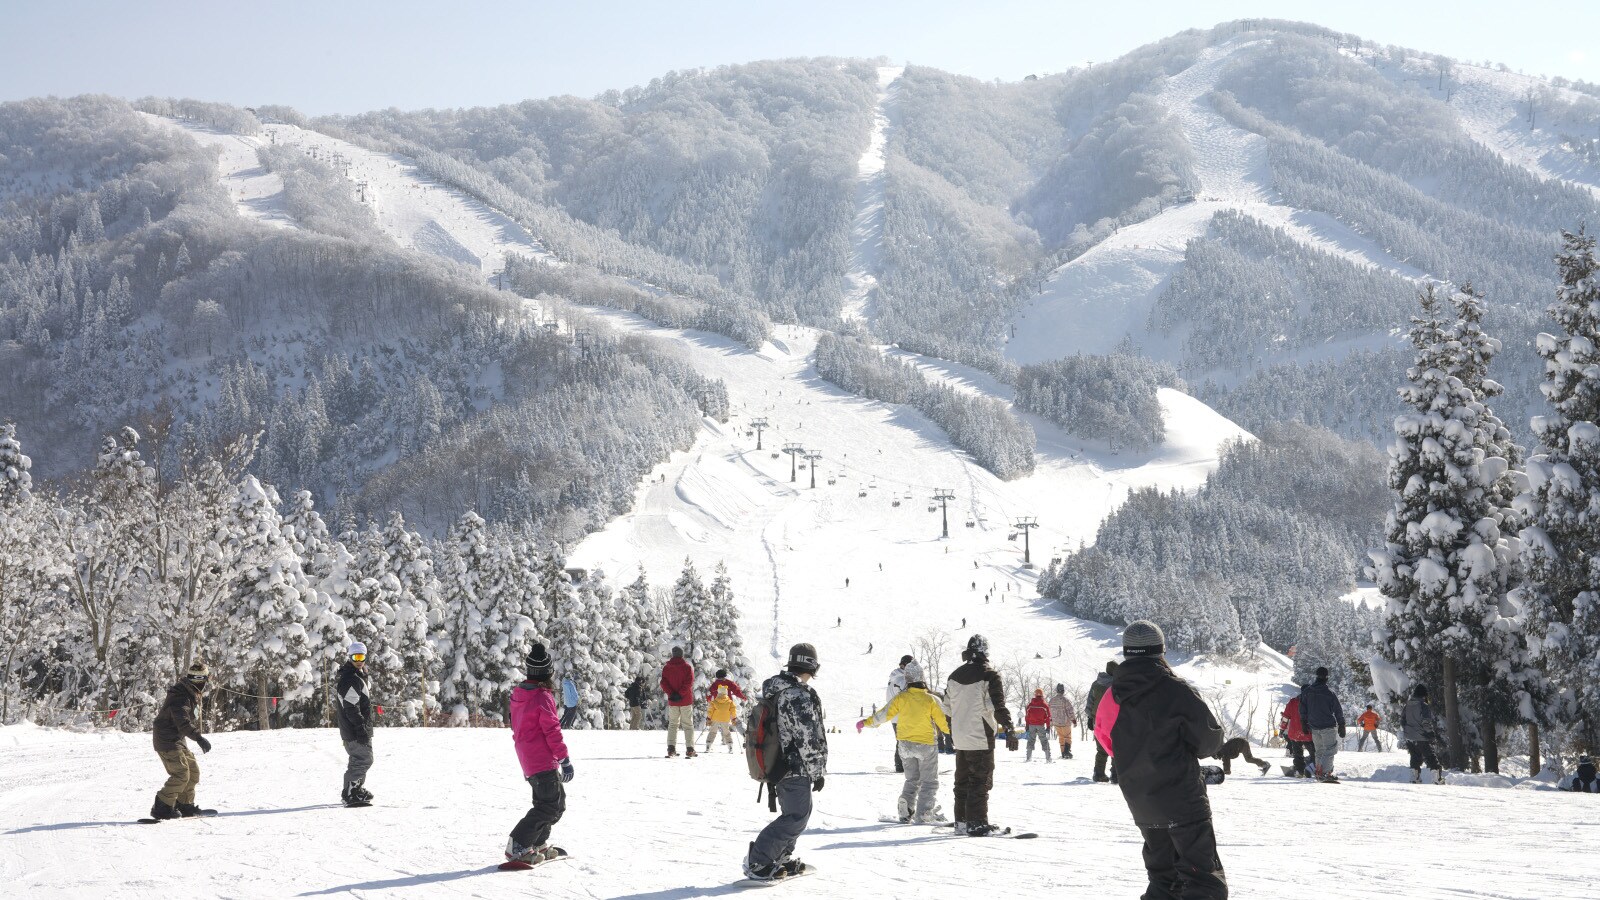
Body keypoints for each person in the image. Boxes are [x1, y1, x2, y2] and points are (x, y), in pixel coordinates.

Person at [1094, 621, 1227, 900]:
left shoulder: (1112, 695)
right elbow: (1209, 742)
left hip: (1142, 801)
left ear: (1126, 652)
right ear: (1160, 650)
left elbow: (1106, 742)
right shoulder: (1176, 690)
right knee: (1204, 884)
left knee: (1164, 882)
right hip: (1182, 799)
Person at [744, 643, 828, 882]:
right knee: (796, 817)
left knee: (798, 814)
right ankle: (759, 860)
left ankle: (779, 856)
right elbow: (806, 736)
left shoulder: (778, 690)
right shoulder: (796, 695)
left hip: (780, 764)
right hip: (793, 766)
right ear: (812, 666)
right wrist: (817, 770)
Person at [506, 642, 575, 865]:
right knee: (548, 806)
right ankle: (518, 845)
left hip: (530, 759)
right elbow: (552, 731)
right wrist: (564, 759)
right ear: (547, 673)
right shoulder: (542, 697)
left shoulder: (519, 694)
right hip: (542, 760)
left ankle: (536, 842)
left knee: (556, 805)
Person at [858, 659, 950, 823]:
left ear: (907, 679)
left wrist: (866, 722)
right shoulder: (931, 699)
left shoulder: (901, 698)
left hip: (905, 745)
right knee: (929, 782)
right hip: (926, 745)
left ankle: (906, 808)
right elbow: (943, 722)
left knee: (912, 779)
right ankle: (924, 813)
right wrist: (955, 735)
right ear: (922, 678)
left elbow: (883, 714)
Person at [945, 634, 1015, 836]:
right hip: (980, 736)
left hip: (960, 736)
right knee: (980, 780)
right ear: (985, 651)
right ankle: (977, 824)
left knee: (962, 780)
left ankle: (961, 822)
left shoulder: (953, 676)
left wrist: (953, 731)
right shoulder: (989, 675)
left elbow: (947, 708)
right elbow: (998, 705)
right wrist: (1009, 728)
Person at [150, 661, 214, 820]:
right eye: (205, 680)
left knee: (193, 771)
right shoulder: (180, 696)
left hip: (177, 738)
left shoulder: (189, 692)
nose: (205, 684)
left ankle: (184, 804)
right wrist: (199, 738)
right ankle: (162, 806)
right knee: (181, 773)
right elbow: (182, 722)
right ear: (199, 681)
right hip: (167, 740)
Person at [336, 641, 375, 807]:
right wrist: (361, 729)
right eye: (355, 657)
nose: (359, 661)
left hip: (355, 729)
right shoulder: (351, 679)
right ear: (350, 658)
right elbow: (351, 708)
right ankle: (350, 793)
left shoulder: (357, 676)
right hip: (354, 730)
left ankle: (355, 789)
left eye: (361, 657)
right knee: (363, 759)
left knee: (360, 759)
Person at [1298, 667, 1346, 782]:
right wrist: (1341, 724)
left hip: (1314, 726)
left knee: (1319, 751)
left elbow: (1302, 708)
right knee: (1330, 750)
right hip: (1327, 726)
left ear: (1316, 676)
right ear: (1327, 677)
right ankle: (1325, 773)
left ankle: (1319, 773)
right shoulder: (1329, 693)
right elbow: (1338, 710)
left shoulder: (1307, 692)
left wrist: (1303, 722)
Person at [1400, 684, 1444, 784]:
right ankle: (1437, 779)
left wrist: (1408, 731)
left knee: (1415, 757)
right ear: (1424, 694)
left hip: (1409, 737)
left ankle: (1414, 778)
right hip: (1421, 736)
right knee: (1431, 757)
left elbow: (1402, 720)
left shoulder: (1408, 705)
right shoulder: (1423, 705)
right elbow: (1426, 722)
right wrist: (1430, 733)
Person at [661, 646, 697, 758]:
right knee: (688, 725)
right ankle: (690, 749)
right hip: (685, 700)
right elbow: (689, 682)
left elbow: (663, 683)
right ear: (682, 654)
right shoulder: (687, 667)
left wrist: (671, 694)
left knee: (673, 725)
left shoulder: (667, 668)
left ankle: (671, 749)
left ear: (673, 654)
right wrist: (680, 694)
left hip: (673, 701)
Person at [1087, 661, 1119, 783]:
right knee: (1116, 747)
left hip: (1097, 720)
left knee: (1101, 748)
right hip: (1113, 720)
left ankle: (1098, 773)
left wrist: (1090, 718)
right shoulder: (1117, 684)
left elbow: (1090, 702)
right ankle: (1115, 774)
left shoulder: (1096, 684)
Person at [886, 656, 912, 773]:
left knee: (901, 740)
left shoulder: (894, 678)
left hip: (895, 715)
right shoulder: (902, 679)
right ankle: (902, 766)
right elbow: (908, 697)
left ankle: (900, 765)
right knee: (904, 741)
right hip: (902, 715)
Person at [1279, 693, 1312, 777]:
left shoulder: (1293, 702)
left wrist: (1282, 729)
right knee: (1314, 753)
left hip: (1295, 733)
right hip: (1308, 733)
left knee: (1297, 754)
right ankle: (1311, 768)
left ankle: (1299, 771)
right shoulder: (1312, 701)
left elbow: (1285, 717)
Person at [707, 683, 739, 752]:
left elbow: (710, 710)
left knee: (712, 731)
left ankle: (708, 745)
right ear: (726, 692)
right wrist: (734, 718)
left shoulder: (714, 701)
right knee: (726, 732)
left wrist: (708, 718)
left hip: (715, 718)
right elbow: (733, 711)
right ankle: (730, 746)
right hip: (725, 719)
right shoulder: (730, 702)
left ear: (718, 692)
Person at [1024, 688, 1053, 762]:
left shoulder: (1030, 705)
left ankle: (1028, 758)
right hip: (1040, 725)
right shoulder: (1044, 705)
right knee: (1044, 740)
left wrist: (1027, 726)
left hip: (1031, 725)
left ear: (1035, 695)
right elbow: (1048, 717)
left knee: (1031, 740)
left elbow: (1027, 717)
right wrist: (1048, 726)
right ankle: (1048, 758)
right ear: (1042, 695)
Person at [1048, 684, 1076, 759]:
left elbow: (1049, 712)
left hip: (1056, 723)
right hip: (1065, 722)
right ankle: (1067, 752)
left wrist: (1051, 721)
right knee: (1067, 737)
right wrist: (1073, 720)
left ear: (1057, 690)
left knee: (1061, 737)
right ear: (1063, 691)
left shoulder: (1052, 700)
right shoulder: (1065, 700)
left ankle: (1063, 753)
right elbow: (1070, 711)